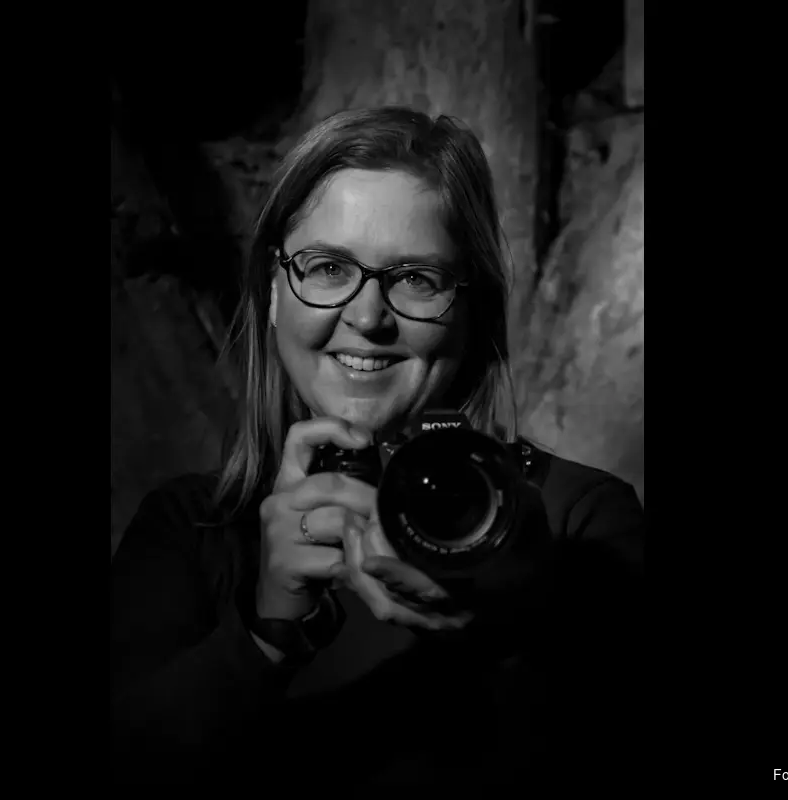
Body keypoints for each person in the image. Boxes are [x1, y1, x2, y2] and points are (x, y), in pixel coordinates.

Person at [109, 106, 645, 790]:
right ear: (273, 292)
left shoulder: (580, 519)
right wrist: (264, 639)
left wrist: (524, 616)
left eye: (417, 279)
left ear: (473, 309)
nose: (367, 317)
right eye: (328, 267)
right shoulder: (191, 529)